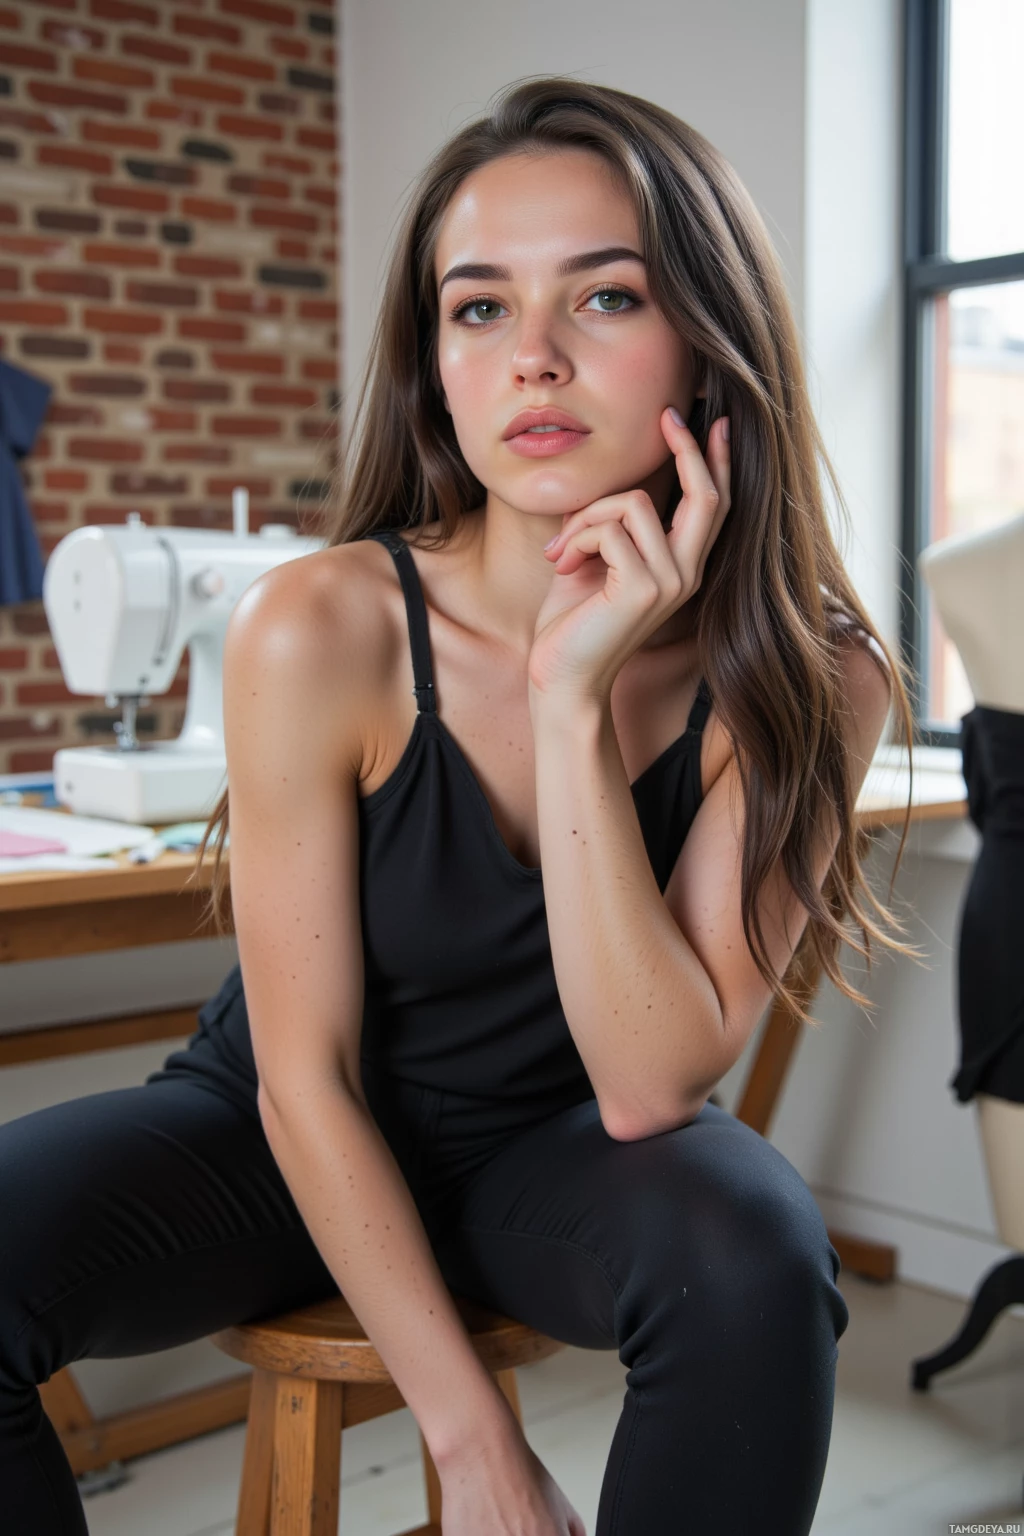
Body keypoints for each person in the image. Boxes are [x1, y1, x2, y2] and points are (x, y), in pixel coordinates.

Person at [0, 78, 918, 1536]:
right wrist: (474, 1441)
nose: (533, 360)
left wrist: (569, 699)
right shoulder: (323, 626)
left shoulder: (813, 677)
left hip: (561, 1152)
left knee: (749, 1251)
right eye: (479, 309)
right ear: (434, 361)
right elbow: (307, 1078)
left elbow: (648, 1085)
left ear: (709, 337)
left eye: (605, 298)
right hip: (284, 1126)